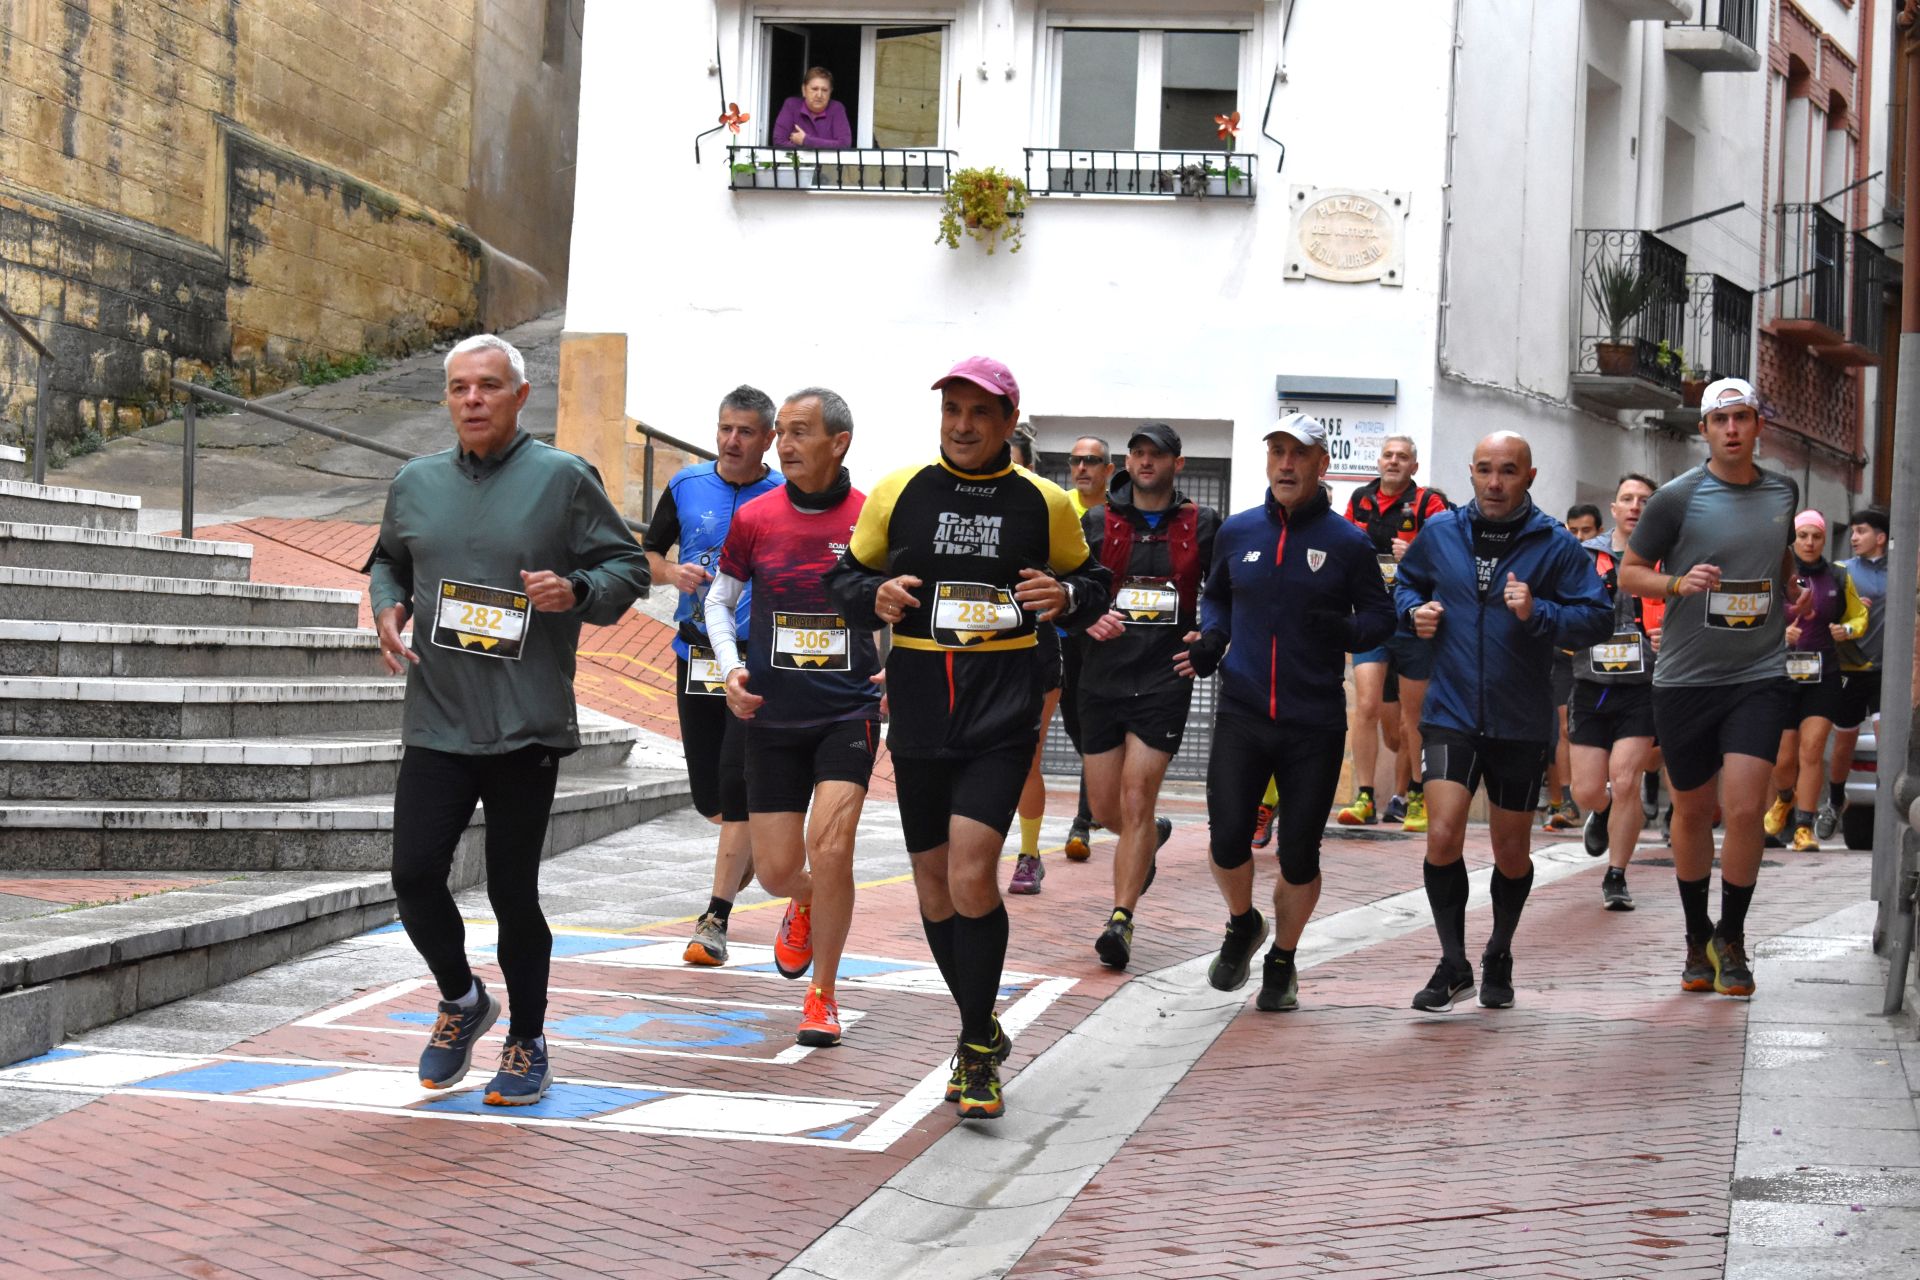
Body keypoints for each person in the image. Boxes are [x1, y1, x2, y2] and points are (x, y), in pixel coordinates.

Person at [825, 357, 1110, 1121]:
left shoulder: (1045, 503)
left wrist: (1070, 595)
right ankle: (979, 1024)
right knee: (931, 887)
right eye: (952, 409)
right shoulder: (899, 491)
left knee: (972, 875)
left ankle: (977, 1056)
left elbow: (1096, 583)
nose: (962, 424)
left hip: (1001, 712)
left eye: (980, 413)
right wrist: (871, 594)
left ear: (1009, 423)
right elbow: (845, 579)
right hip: (919, 711)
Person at [368, 334, 650, 1105]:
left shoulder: (562, 478)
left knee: (510, 891)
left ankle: (527, 1039)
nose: (473, 400)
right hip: (437, 716)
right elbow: (390, 557)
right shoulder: (415, 481)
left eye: (489, 386)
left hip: (525, 723)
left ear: (522, 396)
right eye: (460, 387)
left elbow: (627, 568)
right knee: (413, 876)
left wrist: (577, 591)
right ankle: (462, 1001)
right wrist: (387, 606)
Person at [1394, 432, 1612, 1011]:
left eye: (1508, 471)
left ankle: (1499, 951)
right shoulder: (1441, 533)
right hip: (1451, 711)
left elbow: (1596, 616)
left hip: (1519, 719)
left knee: (1511, 850)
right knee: (1442, 835)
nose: (1495, 482)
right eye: (1485, 470)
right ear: (1470, 472)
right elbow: (1407, 581)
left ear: (1530, 477)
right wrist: (1414, 611)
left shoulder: (1556, 544)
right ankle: (1453, 961)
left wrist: (1537, 611)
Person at [1193, 414, 1395, 1011]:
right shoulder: (1236, 531)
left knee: (1299, 854)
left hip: (1313, 720)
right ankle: (1241, 924)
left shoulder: (1349, 542)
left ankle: (1282, 959)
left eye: (1297, 454)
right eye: (1277, 452)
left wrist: (1346, 628)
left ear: (1320, 464)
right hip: (1244, 710)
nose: (1285, 464)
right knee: (1228, 839)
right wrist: (1211, 636)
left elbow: (1381, 619)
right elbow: (1216, 596)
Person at [704, 388, 880, 1047]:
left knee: (831, 849)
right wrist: (730, 669)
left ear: (840, 442)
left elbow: (904, 601)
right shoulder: (756, 516)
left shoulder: (872, 519)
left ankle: (822, 996)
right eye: (781, 432)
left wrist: (896, 661)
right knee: (778, 871)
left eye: (800, 432)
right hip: (772, 717)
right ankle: (806, 901)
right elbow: (720, 603)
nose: (785, 444)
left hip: (849, 712)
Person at [1619, 377, 1803, 999]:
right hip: (1687, 679)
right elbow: (1629, 573)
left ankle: (1734, 937)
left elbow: (1777, 557)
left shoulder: (1784, 490)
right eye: (1720, 420)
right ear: (1704, 430)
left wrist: (1788, 589)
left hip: (1758, 673)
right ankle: (1697, 935)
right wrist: (1677, 585)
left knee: (1747, 806)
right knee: (1695, 809)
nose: (1732, 430)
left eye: (1743, 418)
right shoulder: (1675, 498)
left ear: (1758, 427)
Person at [642, 387, 784, 967]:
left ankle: (714, 918)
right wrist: (670, 571)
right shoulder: (685, 485)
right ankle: (754, 848)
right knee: (711, 796)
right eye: (725, 428)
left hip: (754, 662)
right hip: (695, 653)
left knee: (736, 781)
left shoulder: (783, 495)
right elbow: (645, 556)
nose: (731, 441)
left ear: (768, 439)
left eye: (746, 431)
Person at [1077, 423, 1220, 965]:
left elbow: (1226, 590)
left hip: (1163, 678)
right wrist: (1086, 618)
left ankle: (1121, 919)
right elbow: (1070, 588)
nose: (1144, 462)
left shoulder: (1202, 524)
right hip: (1101, 679)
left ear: (1177, 464)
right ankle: (1152, 836)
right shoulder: (1096, 521)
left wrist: (1211, 638)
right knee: (1108, 809)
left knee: (1137, 799)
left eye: (1155, 454)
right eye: (1136, 453)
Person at [1337, 434, 1450, 833]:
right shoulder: (1359, 501)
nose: (1394, 462)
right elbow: (1341, 547)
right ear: (1379, 461)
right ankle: (1365, 796)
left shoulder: (1429, 503)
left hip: (1414, 619)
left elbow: (1449, 548)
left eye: (1403, 457)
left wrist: (1416, 550)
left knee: (1410, 720)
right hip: (1370, 616)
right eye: (1388, 455)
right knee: (1368, 708)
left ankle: (1416, 794)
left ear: (1413, 467)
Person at [1567, 475, 1663, 910]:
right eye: (1627, 498)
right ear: (1614, 506)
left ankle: (1616, 875)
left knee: (1626, 780)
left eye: (1645, 500)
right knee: (1588, 790)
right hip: (1592, 684)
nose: (1635, 506)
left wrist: (1672, 635)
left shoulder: (1669, 557)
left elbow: (1695, 608)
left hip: (1643, 686)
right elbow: (1566, 606)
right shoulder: (1585, 556)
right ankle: (1598, 813)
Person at [1761, 512, 1867, 852]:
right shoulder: (1776, 572)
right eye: (1803, 535)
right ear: (1794, 538)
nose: (1809, 542)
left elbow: (1857, 615)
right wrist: (1780, 634)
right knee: (1783, 758)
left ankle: (1803, 827)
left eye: (1816, 536)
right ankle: (1783, 798)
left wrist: (1846, 630)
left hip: (1824, 674)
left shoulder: (1838, 575)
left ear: (1823, 540)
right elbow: (1755, 618)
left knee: (1812, 750)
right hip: (1781, 673)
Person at [1007, 427, 1066, 894]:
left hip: (1035, 654)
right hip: (972, 650)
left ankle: (1029, 855)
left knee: (1027, 758)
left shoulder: (1049, 512)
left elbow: (1079, 578)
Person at [1062, 436, 1118, 861]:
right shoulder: (1059, 508)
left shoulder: (1120, 514)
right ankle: (1101, 790)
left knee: (1092, 720)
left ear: (1109, 469)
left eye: (1092, 461)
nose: (1083, 468)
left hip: (1103, 638)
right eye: (1077, 461)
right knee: (1075, 725)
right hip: (1062, 637)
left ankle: (1082, 821)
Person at [1820, 507, 1890, 839]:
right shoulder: (1840, 571)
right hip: (1849, 667)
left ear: (1881, 538)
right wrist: (1848, 607)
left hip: (1886, 671)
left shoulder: (1903, 572)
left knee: (1884, 737)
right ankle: (1834, 800)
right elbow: (1824, 611)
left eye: (1861, 531)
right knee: (1844, 740)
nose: (1853, 537)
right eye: (1851, 532)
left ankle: (1890, 806)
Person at [1542, 504, 1604, 831]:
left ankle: (1604, 796)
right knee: (1564, 726)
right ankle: (1568, 802)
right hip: (1563, 656)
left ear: (1598, 532)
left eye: (1586, 531)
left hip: (1602, 659)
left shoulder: (1604, 564)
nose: (1579, 537)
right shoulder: (1558, 561)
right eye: (1574, 530)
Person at [772, 66, 853, 150]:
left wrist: (806, 141)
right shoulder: (791, 105)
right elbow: (778, 141)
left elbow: (844, 144)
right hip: (795, 163)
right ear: (804, 90)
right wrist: (824, 146)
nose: (819, 95)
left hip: (828, 163)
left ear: (830, 92)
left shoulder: (837, 108)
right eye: (814, 89)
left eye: (824, 90)